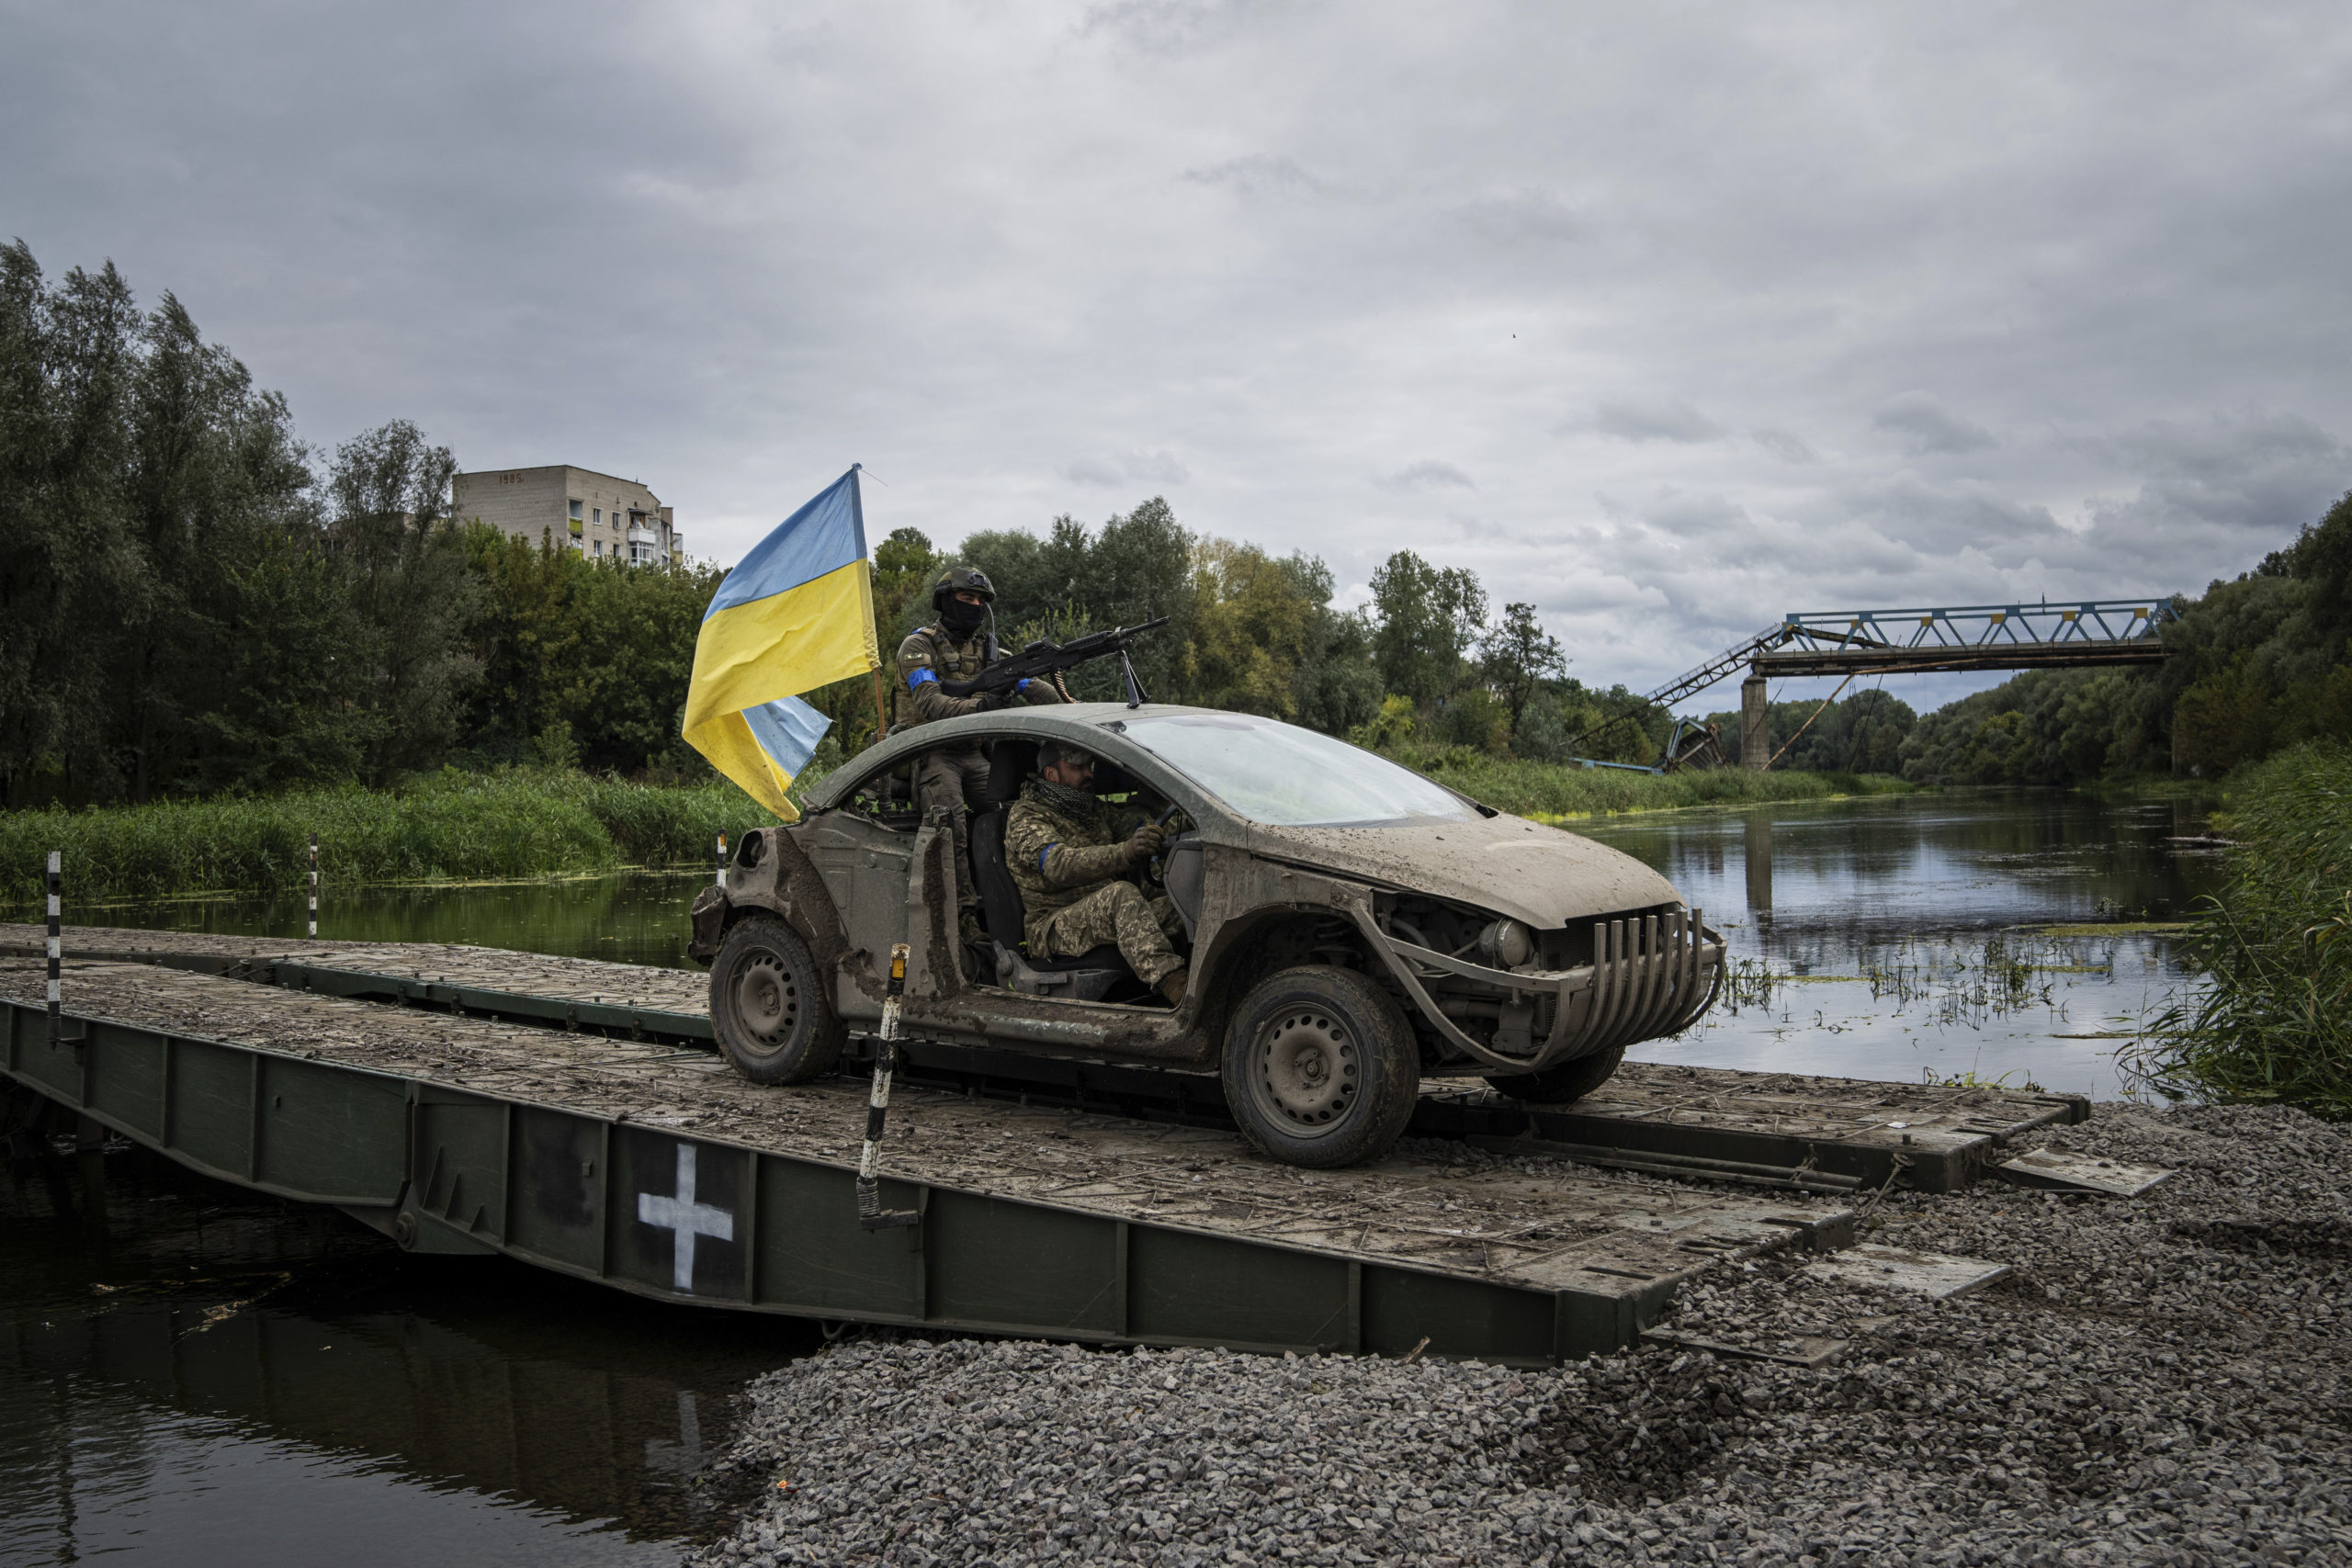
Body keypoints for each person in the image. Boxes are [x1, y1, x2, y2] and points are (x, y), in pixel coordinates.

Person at [894, 566, 1059, 927]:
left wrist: (1075, 706)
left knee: (1021, 817)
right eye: (966, 598)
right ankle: (964, 921)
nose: (974, 605)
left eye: (980, 601)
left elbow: (1033, 688)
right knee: (950, 830)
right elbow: (931, 705)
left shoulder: (990, 651)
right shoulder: (918, 646)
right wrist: (982, 708)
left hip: (973, 754)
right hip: (932, 752)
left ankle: (1029, 909)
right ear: (945, 601)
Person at [1003, 739, 1189, 1006]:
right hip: (1054, 925)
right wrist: (1125, 851)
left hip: (1106, 912)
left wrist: (1182, 824)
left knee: (1183, 902)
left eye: (1089, 766)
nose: (1089, 773)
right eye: (1078, 767)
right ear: (1051, 774)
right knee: (1121, 895)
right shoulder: (1026, 817)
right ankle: (1178, 991)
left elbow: (1136, 825)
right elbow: (1059, 864)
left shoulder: (1088, 808)